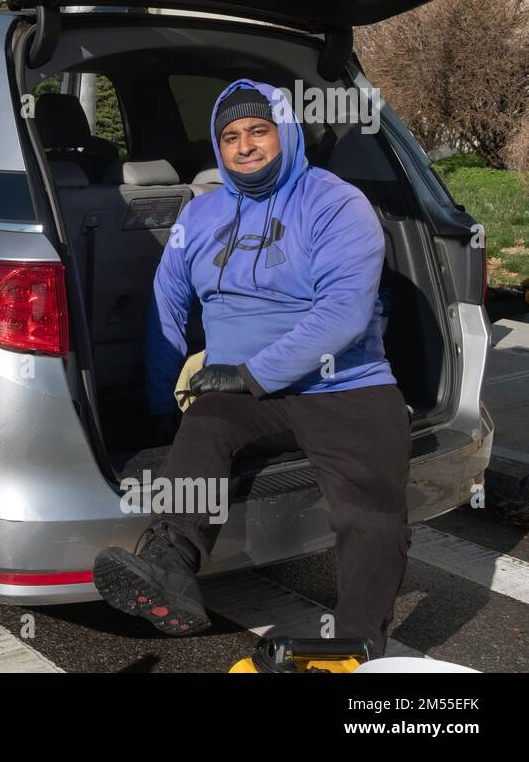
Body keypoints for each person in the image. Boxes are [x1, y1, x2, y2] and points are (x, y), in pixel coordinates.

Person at [91, 79, 412, 659]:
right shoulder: (202, 214)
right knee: (206, 422)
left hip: (343, 383)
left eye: (258, 131)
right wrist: (164, 403)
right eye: (230, 136)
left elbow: (343, 312)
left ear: (284, 133)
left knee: (370, 514)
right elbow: (167, 304)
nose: (244, 146)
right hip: (242, 390)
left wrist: (248, 374)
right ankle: (170, 565)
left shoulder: (336, 202)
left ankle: (353, 645)